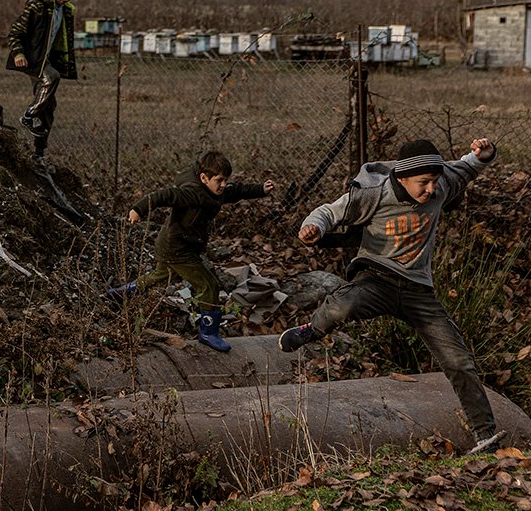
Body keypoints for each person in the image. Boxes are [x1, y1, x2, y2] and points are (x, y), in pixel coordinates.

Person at [278, 137, 505, 456]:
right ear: (402, 177)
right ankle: (311, 330)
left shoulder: (441, 185)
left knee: (458, 359)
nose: (430, 190)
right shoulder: (374, 195)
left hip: (418, 291)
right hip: (377, 280)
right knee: (344, 305)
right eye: (423, 183)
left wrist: (484, 155)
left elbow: (467, 168)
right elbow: (330, 211)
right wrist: (312, 227)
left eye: (434, 181)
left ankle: (485, 434)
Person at [121, 151, 275, 352]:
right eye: (219, 180)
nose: (223, 185)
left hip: (174, 245)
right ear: (203, 178)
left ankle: (120, 293)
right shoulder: (191, 193)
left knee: (160, 276)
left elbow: (237, 191)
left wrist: (261, 190)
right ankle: (208, 332)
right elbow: (163, 195)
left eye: (225, 180)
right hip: (177, 249)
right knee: (209, 285)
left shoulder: (215, 191)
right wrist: (138, 209)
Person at [5, 0, 80, 162]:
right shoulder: (37, 5)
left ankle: (38, 153)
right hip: (33, 60)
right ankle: (28, 116)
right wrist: (18, 53)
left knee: (49, 107)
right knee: (51, 77)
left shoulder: (65, 10)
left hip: (47, 59)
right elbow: (15, 32)